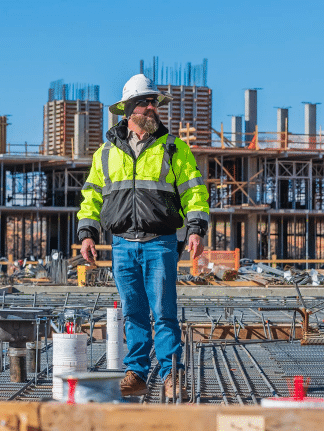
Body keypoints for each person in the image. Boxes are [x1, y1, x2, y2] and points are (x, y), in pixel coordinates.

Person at [77, 74, 209, 398]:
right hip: (122, 244)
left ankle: (171, 375)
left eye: (154, 103)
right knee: (133, 312)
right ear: (128, 110)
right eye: (144, 103)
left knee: (163, 312)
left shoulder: (174, 148)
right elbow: (92, 196)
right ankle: (136, 372)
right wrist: (87, 234)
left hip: (160, 242)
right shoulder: (106, 153)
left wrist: (195, 229)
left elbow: (194, 191)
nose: (151, 108)